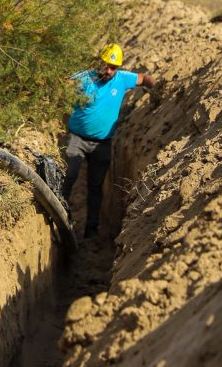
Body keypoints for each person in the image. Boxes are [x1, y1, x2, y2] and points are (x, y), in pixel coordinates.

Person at [61, 43, 156, 238]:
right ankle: (59, 218)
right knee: (68, 176)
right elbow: (60, 80)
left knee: (95, 187)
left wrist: (157, 89)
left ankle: (91, 230)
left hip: (102, 143)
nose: (110, 71)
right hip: (76, 139)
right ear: (100, 62)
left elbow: (144, 78)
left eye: (114, 68)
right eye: (107, 66)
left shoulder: (122, 79)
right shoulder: (84, 77)